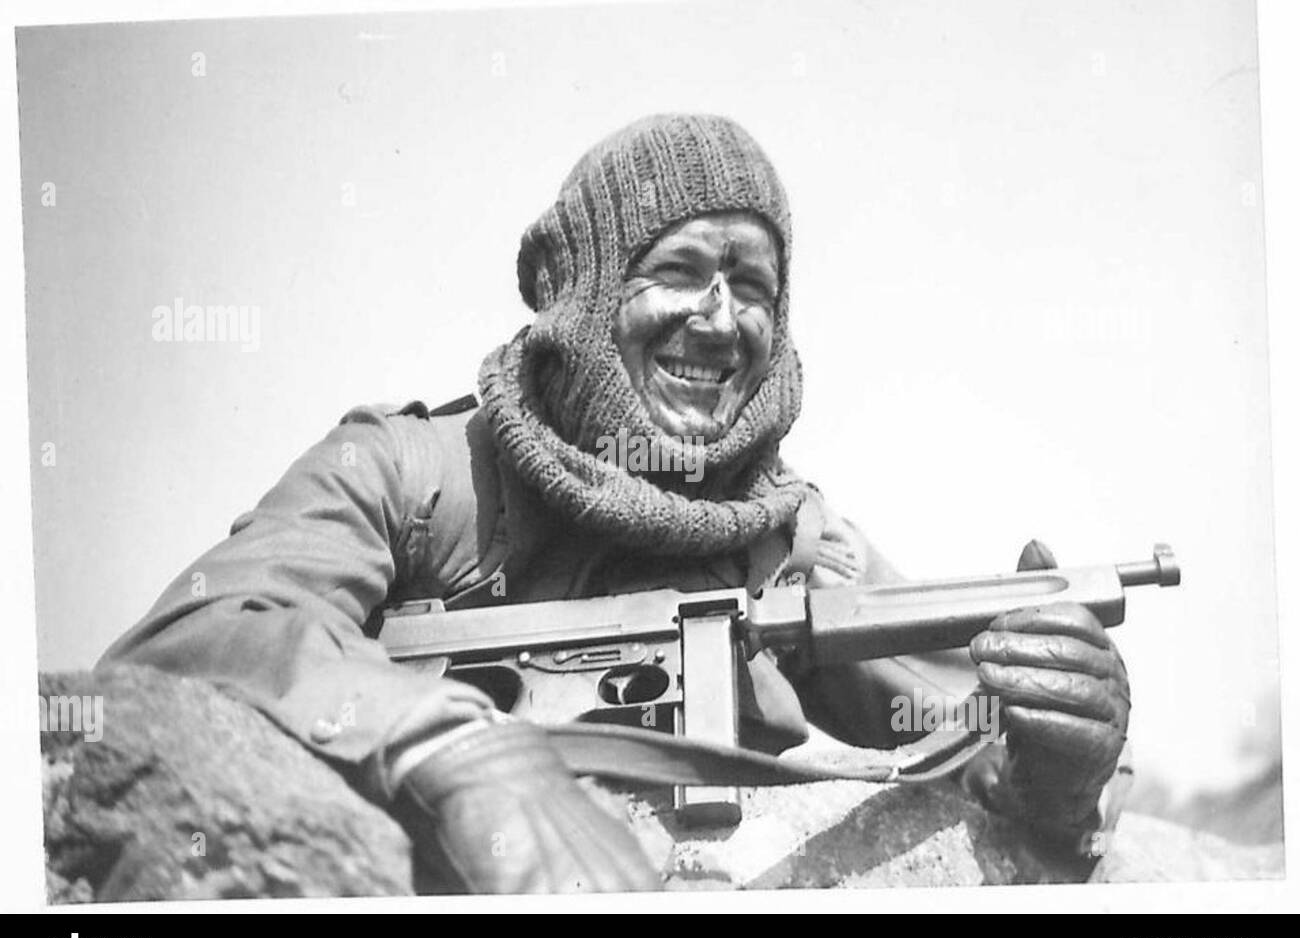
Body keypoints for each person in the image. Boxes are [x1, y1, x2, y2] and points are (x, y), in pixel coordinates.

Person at [99, 114, 1131, 894]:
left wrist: (1054, 763)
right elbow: (193, 635)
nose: (719, 320)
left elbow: (966, 738)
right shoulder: (415, 474)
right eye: (676, 272)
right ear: (585, 294)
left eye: (753, 285)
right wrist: (452, 747)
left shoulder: (786, 535)